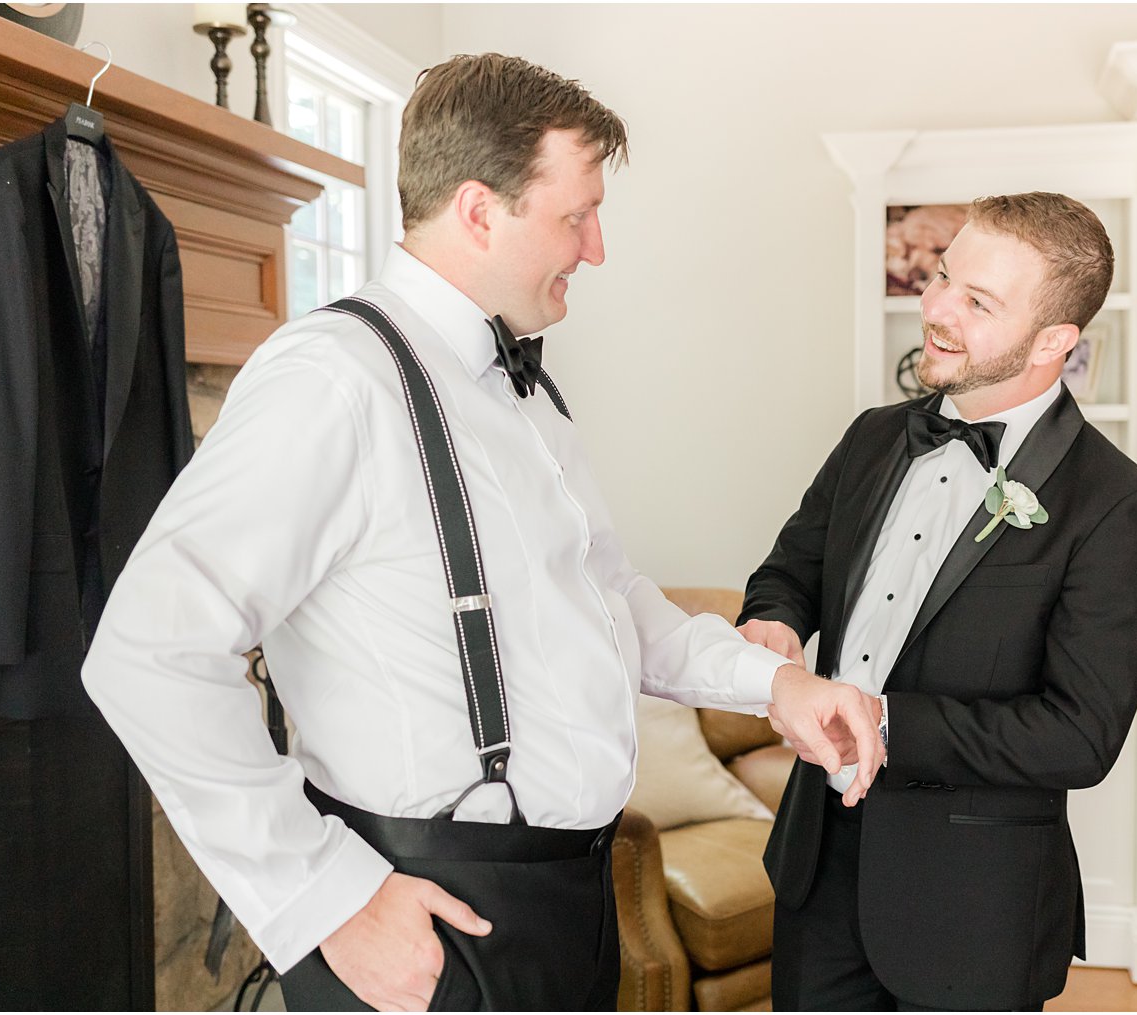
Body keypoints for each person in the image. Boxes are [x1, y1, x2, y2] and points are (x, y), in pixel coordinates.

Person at [82, 52, 884, 1013]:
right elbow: (147, 650)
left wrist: (779, 685)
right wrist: (324, 897)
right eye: (575, 215)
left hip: (569, 908)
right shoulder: (332, 380)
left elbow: (612, 598)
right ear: (478, 210)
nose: (595, 249)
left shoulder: (527, 393)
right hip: (426, 921)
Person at [737, 192, 1137, 1012]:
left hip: (973, 905)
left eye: (978, 302)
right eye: (943, 277)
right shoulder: (870, 435)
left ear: (1055, 341)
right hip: (817, 865)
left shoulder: (1120, 505)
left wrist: (885, 722)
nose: (935, 309)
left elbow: (1081, 735)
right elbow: (788, 571)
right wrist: (775, 623)